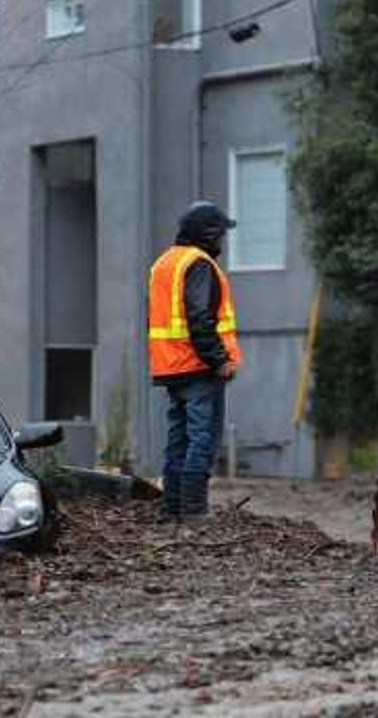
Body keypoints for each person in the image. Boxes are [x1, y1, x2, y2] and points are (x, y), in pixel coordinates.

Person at [148, 201, 242, 521]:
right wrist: (219, 360)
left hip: (170, 366)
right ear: (210, 235)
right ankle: (194, 510)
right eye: (221, 235)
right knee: (202, 437)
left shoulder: (164, 263)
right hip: (198, 367)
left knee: (179, 438)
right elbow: (200, 318)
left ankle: (171, 507)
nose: (223, 242)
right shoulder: (199, 264)